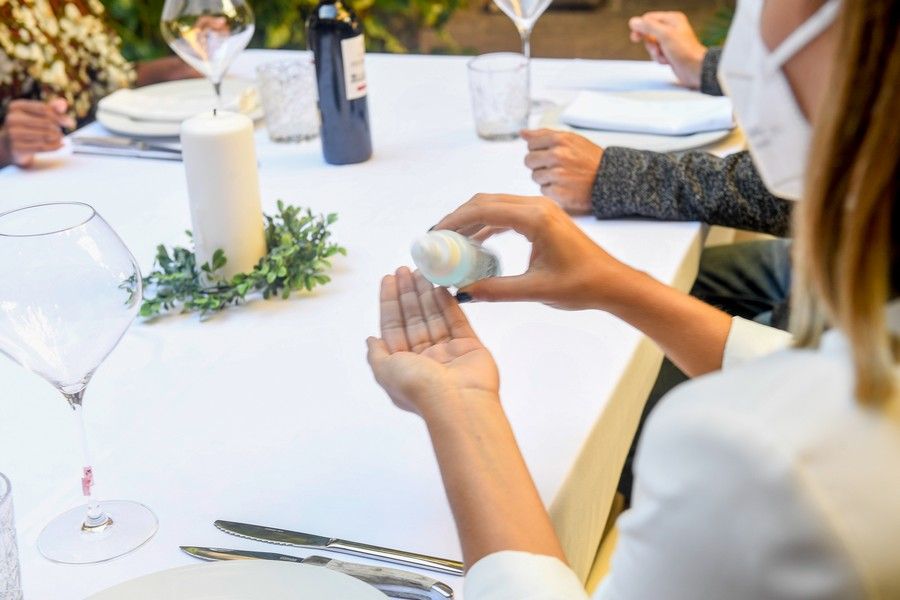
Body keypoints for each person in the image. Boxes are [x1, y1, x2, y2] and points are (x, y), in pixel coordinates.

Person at [367, 0, 900, 597]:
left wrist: (462, 410)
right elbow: (843, 378)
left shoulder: (759, 456)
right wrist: (614, 284)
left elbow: (803, 418)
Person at [0, 0, 196, 168]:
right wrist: (6, 147)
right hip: (32, 188)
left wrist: (181, 65)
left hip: (100, 159)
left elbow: (109, 78)